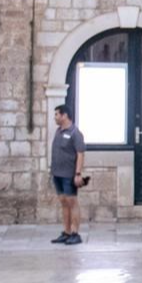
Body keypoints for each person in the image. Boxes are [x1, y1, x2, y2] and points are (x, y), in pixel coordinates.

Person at [49, 104, 86, 246]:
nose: (55, 117)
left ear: (64, 115)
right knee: (64, 202)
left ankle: (75, 233)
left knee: (72, 202)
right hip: (57, 173)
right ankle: (66, 232)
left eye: (57, 114)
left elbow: (80, 154)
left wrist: (77, 174)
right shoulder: (59, 131)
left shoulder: (75, 133)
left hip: (69, 175)